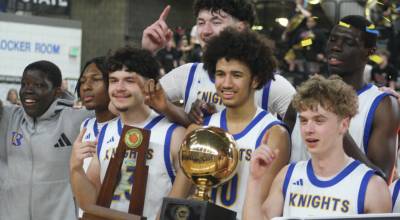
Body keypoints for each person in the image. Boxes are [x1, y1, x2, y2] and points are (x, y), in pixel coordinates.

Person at [166, 28, 290, 220]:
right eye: (220, 74)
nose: (226, 83)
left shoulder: (273, 134)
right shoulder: (198, 130)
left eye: (237, 75)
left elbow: (264, 210)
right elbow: (175, 200)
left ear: (255, 80)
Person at [245, 75, 391, 219]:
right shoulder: (288, 175)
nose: (308, 129)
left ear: (344, 124)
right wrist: (254, 180)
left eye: (319, 120)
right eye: (303, 120)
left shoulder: (372, 187)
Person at [70, 47, 186, 220]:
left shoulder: (174, 134)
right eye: (114, 80)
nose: (119, 88)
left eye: (129, 80)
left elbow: (180, 206)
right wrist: (76, 168)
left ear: (150, 85)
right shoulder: (104, 132)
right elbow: (91, 204)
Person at [141, 0, 296, 127]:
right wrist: (147, 53)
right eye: (201, 23)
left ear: (242, 28)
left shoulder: (270, 84)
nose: (205, 31)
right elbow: (136, 104)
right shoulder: (188, 74)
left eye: (216, 21)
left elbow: (303, 130)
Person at [286, 15, 400, 182]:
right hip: (296, 204)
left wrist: (338, 132)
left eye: (348, 42)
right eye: (332, 39)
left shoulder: (383, 105)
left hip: (346, 206)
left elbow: (382, 181)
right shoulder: (304, 95)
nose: (336, 47)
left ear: (369, 52)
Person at [0, 60, 92, 220]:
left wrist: (147, 54)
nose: (28, 90)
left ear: (57, 92)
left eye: (39, 85)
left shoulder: (74, 120)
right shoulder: (8, 118)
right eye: (24, 84)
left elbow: (119, 107)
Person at [74, 56, 117, 216]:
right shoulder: (86, 125)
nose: (86, 87)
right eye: (83, 81)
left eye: (95, 79)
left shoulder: (128, 128)